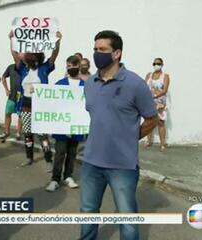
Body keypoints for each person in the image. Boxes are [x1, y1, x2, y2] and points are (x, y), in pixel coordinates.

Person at [80, 30, 159, 240]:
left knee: (127, 219)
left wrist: (130, 137)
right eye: (95, 49)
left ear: (117, 54)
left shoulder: (135, 84)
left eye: (103, 49)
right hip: (91, 162)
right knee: (87, 214)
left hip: (123, 165)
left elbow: (153, 119)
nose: (97, 53)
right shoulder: (89, 84)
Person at [9, 30, 62, 170]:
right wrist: (12, 40)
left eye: (29, 54)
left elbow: (54, 55)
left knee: (42, 135)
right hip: (26, 105)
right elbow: (15, 55)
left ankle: (48, 160)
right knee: (28, 133)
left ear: (36, 56)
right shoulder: (22, 69)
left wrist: (57, 42)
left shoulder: (45, 68)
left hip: (40, 107)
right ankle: (29, 157)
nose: (25, 55)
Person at [46, 55, 84, 192]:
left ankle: (68, 176)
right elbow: (50, 101)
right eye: (69, 66)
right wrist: (37, 93)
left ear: (79, 66)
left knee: (72, 153)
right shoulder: (60, 84)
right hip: (61, 126)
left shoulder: (84, 85)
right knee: (60, 152)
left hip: (77, 126)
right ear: (66, 67)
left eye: (74, 65)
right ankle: (55, 179)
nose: (72, 68)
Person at [144, 58, 170, 151]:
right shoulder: (149, 75)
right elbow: (144, 87)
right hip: (149, 102)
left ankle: (163, 143)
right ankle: (148, 141)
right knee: (148, 121)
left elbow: (165, 90)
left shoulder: (165, 76)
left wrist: (155, 97)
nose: (156, 65)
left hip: (160, 103)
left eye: (158, 63)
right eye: (154, 63)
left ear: (162, 64)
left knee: (161, 122)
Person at [0, 63, 22, 142]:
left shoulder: (26, 67)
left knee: (20, 115)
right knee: (8, 113)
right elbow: (3, 77)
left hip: (21, 95)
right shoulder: (11, 67)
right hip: (12, 95)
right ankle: (6, 131)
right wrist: (6, 89)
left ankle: (18, 133)